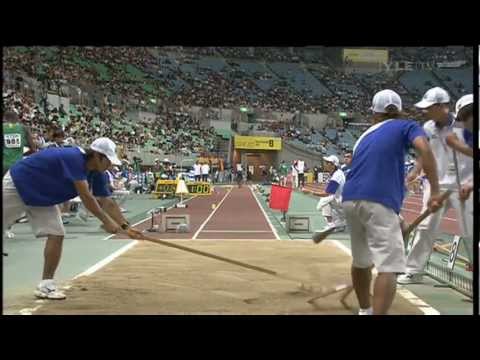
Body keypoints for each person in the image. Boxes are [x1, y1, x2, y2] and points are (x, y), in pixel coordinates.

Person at [341, 89, 444, 315]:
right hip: (378, 199)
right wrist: (435, 191)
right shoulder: (406, 126)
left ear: (373, 114)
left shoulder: (363, 138)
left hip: (350, 198)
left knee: (361, 261)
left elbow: (367, 176)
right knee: (389, 267)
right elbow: (424, 149)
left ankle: (365, 311)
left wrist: (396, 220)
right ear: (400, 112)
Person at [3, 137, 143, 300]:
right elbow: (86, 197)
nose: (110, 165)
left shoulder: (98, 173)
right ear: (97, 156)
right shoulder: (74, 158)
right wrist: (107, 222)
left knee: (56, 233)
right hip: (19, 184)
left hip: (43, 196)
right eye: (109, 161)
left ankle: (46, 285)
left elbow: (107, 201)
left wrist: (126, 227)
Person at [398, 88, 473, 284]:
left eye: (430, 108)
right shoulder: (428, 128)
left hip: (462, 184)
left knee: (470, 230)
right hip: (436, 184)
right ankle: (414, 271)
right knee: (425, 227)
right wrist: (415, 171)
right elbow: (425, 153)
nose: (426, 111)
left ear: (443, 107)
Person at [308, 155, 346, 241]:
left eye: (328, 163)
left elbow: (326, 193)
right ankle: (341, 224)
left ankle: (331, 224)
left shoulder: (336, 176)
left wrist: (311, 192)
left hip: (342, 202)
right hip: (343, 201)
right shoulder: (337, 173)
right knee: (330, 200)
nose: (325, 164)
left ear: (333, 165)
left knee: (324, 201)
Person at [3, 111, 37, 176]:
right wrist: (22, 154)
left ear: (4, 118)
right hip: (17, 165)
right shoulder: (24, 128)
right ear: (17, 118)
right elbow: (33, 149)